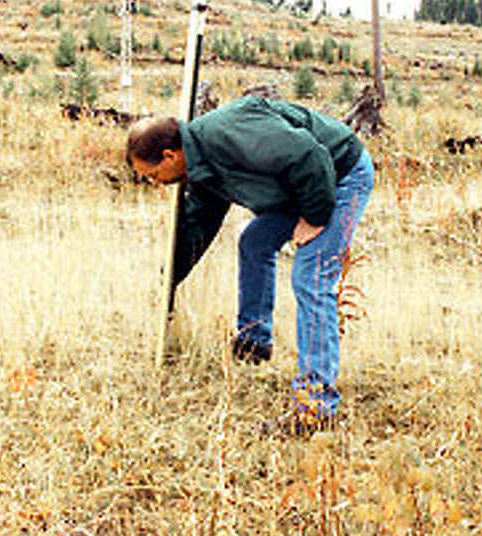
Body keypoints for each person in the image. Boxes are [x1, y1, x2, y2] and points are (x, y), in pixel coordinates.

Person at [126, 95, 375, 435]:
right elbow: (197, 227)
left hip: (339, 175)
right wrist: (168, 279)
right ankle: (254, 342)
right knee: (254, 243)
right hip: (299, 186)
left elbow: (307, 154)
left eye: (154, 174)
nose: (156, 182)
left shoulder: (229, 134)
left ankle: (315, 408)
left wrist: (316, 216)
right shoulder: (201, 169)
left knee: (311, 277)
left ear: (170, 155)